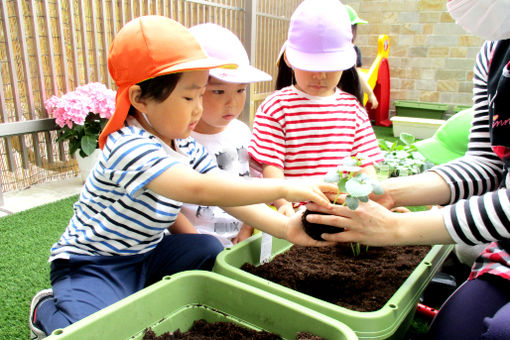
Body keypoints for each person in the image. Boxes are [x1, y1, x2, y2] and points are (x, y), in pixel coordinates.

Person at [28, 16, 338, 339]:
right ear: (139, 98)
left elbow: (225, 190)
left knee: (205, 248)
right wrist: (285, 185)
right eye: (189, 98)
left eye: (202, 95)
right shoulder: (128, 145)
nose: (198, 110)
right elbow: (200, 188)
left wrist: (287, 227)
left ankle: (136, 294)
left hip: (146, 254)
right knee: (97, 332)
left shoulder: (183, 141)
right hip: (94, 265)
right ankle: (47, 311)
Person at [305, 0, 510, 338]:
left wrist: (398, 228)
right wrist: (389, 194)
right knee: (451, 330)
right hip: (505, 255)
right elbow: (486, 163)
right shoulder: (493, 52)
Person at [249, 0, 384, 216]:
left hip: (340, 210)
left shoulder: (353, 110)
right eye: (311, 65)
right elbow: (271, 167)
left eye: (329, 67)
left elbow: (365, 163)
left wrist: (375, 201)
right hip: (294, 213)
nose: (320, 75)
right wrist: (283, 204)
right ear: (289, 59)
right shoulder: (276, 108)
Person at [172, 23, 272, 247]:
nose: (232, 102)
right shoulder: (176, 140)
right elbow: (169, 209)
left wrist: (247, 228)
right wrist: (199, 245)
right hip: (192, 244)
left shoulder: (243, 132)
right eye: (218, 91)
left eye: (240, 90)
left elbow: (253, 185)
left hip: (238, 242)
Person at [344, 4, 378, 109]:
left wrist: (370, 93)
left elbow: (358, 74)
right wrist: (370, 93)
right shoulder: (352, 50)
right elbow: (358, 74)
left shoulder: (353, 50)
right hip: (346, 98)